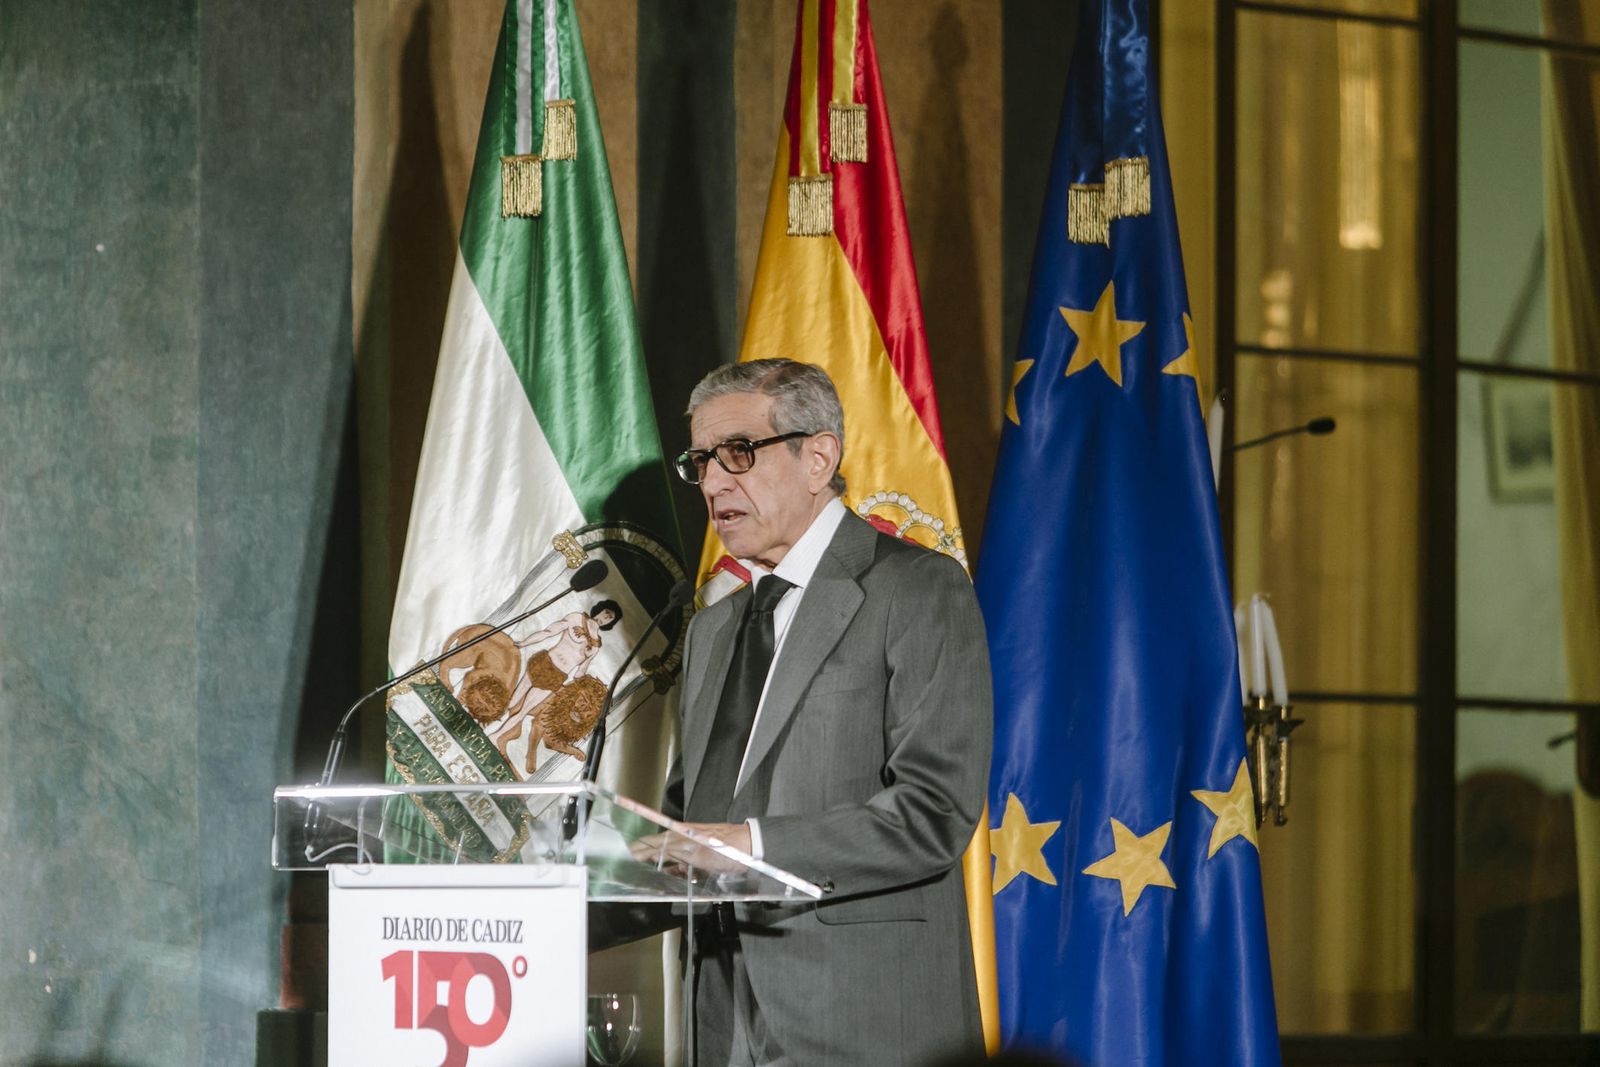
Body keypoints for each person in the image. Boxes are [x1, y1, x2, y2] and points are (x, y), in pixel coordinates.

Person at [655, 359, 992, 1066]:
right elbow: (690, 818)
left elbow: (935, 810)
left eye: (737, 453)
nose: (714, 482)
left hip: (862, 1019)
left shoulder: (917, 589)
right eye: (701, 462)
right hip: (718, 1015)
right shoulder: (714, 629)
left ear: (819, 457)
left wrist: (753, 845)